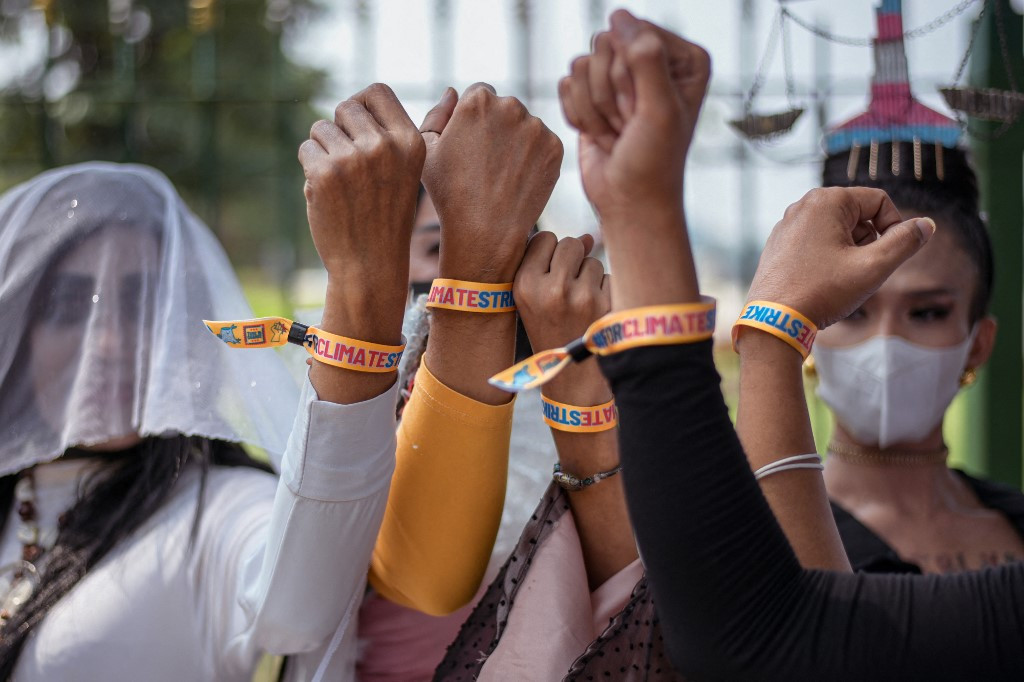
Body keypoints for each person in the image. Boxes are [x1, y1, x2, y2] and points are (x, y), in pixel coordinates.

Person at [558, 9, 1024, 681]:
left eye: (926, 312)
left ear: (978, 346)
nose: (886, 345)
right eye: (854, 314)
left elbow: (775, 638)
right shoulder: (751, 528)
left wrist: (764, 331)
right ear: (817, 332)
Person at [0, 83, 503, 681]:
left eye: (142, 305)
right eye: (70, 305)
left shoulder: (221, 509)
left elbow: (299, 607)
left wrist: (362, 282)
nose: (109, 341)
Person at [353, 83, 565, 681]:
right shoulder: (344, 388)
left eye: (486, 244)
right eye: (438, 248)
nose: (461, 265)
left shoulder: (567, 390)